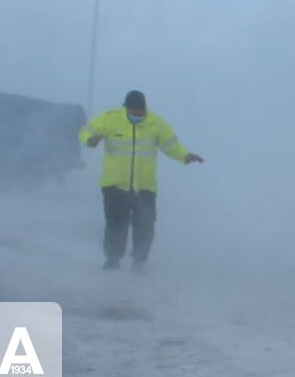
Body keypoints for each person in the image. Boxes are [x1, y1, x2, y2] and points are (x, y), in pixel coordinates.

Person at [79, 90, 203, 273]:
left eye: (140, 112)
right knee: (115, 224)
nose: (137, 115)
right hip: (115, 184)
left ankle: (138, 263)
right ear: (126, 108)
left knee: (145, 226)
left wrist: (185, 155)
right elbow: (86, 131)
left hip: (144, 187)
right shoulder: (110, 119)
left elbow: (171, 145)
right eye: (134, 112)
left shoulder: (155, 123)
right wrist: (90, 140)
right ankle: (112, 261)